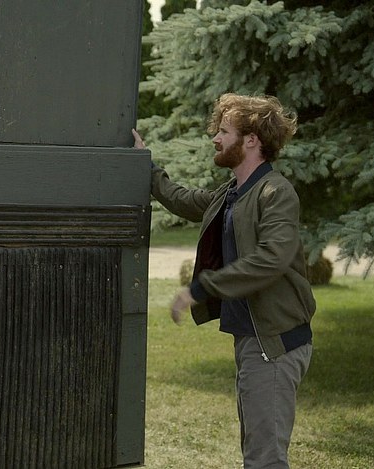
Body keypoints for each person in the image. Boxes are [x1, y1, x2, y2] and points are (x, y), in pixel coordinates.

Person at [133, 93, 316, 468]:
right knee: (257, 451)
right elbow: (183, 199)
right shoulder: (231, 194)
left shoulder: (275, 192)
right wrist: (145, 165)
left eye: (224, 131)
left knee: (265, 458)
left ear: (251, 140)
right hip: (252, 340)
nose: (215, 138)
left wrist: (201, 288)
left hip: (275, 343)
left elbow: (271, 258)